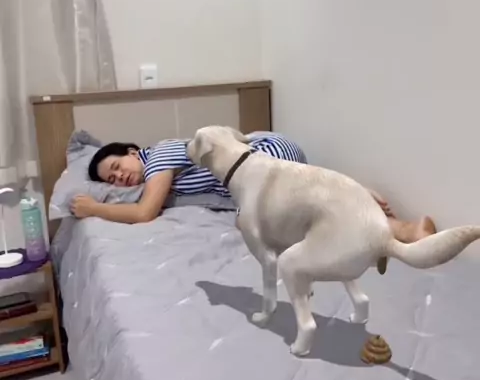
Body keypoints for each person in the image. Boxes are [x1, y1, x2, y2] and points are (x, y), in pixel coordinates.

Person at [70, 132, 436, 242]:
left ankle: (402, 229)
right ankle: (353, 197)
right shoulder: (165, 169)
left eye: (117, 167)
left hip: (263, 158)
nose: (119, 178)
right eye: (111, 180)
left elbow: (144, 212)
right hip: (269, 162)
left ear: (133, 151)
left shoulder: (159, 156)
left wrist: (94, 208)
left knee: (288, 222)